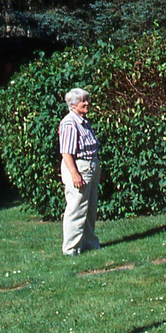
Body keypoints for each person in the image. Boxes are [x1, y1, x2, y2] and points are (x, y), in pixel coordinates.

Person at [59, 88, 101, 256]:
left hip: (90, 165)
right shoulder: (69, 123)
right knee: (76, 208)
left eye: (87, 100)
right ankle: (71, 249)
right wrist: (75, 174)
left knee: (90, 207)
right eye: (83, 101)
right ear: (73, 104)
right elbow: (66, 152)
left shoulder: (83, 121)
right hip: (78, 167)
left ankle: (88, 243)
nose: (87, 104)